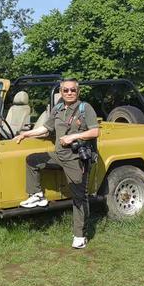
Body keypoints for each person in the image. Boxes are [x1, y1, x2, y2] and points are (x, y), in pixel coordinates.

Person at [13, 78, 99, 249]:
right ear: (61, 91)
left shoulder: (85, 108)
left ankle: (80, 236)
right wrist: (26, 134)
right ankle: (37, 195)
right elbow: (46, 128)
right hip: (59, 155)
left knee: (79, 197)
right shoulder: (58, 108)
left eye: (72, 90)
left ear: (78, 91)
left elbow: (95, 131)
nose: (69, 93)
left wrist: (74, 137)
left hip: (76, 159)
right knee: (32, 160)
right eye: (65, 90)